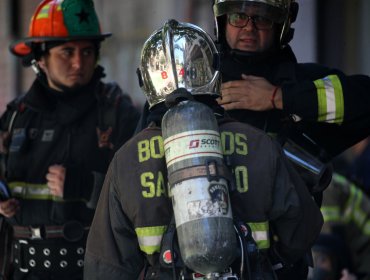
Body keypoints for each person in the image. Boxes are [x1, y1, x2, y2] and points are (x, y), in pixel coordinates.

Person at [84, 19, 323, 280]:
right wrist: (270, 263)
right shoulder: (258, 143)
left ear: (146, 80)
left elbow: (106, 265)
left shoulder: (127, 160)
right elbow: (304, 227)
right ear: (213, 72)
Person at [0, 0, 140, 279]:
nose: (79, 62)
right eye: (67, 51)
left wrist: (88, 186)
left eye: (87, 51)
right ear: (40, 58)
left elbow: (143, 196)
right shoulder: (16, 118)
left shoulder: (117, 113)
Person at [212, 0, 370, 181]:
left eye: (263, 18)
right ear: (222, 20)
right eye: (238, 16)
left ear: (281, 26)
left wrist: (279, 97)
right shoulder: (201, 82)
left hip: (285, 209)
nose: (249, 27)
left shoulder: (301, 82)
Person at [320, 173, 370, 280]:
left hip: (365, 246)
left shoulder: (325, 188)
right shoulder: (327, 180)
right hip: (359, 245)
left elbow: (333, 245)